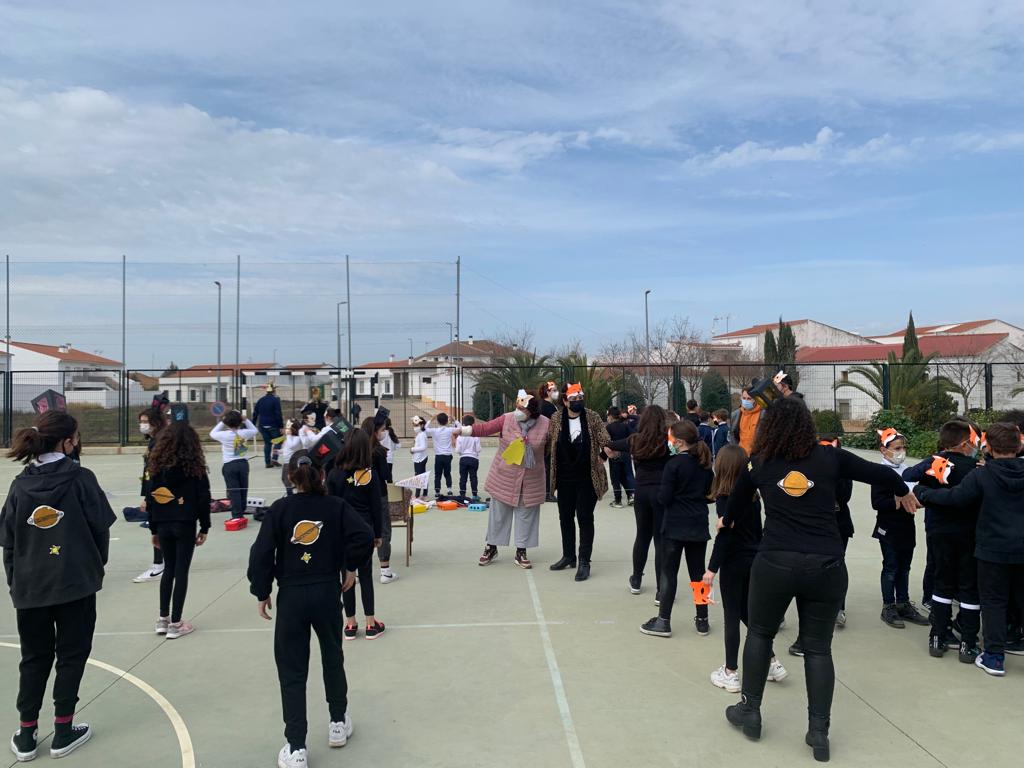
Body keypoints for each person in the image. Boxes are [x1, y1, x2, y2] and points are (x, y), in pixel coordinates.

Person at [719, 397, 917, 762]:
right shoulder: (830, 458)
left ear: (768, 428)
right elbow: (885, 474)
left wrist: (727, 521)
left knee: (760, 633)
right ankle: (818, 731)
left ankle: (750, 710)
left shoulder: (760, 463)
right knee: (818, 648)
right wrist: (904, 492)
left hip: (775, 562)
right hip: (826, 565)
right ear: (807, 426)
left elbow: (737, 499)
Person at [247, 450, 374, 768]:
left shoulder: (280, 510)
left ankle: (296, 747)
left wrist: (262, 590)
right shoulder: (335, 506)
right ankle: (337, 722)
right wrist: (350, 565)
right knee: (333, 656)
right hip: (326, 592)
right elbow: (364, 534)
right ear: (321, 476)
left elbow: (260, 554)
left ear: (290, 477)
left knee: (292, 670)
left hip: (291, 596)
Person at [1, 411, 116, 761]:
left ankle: (26, 733)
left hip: (31, 587)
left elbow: (9, 543)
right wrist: (94, 567)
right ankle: (63, 730)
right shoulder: (81, 479)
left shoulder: (20, 485)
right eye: (76, 436)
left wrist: (16, 583)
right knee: (71, 655)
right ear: (67, 441)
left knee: (33, 658)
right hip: (75, 583)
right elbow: (101, 529)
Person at [915, 422, 1024, 677]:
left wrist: (923, 493)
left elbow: (955, 498)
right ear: (1019, 445)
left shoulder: (982, 474)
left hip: (991, 548)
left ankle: (995, 657)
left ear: (988, 447)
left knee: (993, 602)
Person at [704, 445, 788, 692]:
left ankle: (730, 672)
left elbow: (725, 537)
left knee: (732, 617)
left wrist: (711, 569)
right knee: (748, 614)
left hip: (733, 563)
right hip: (754, 560)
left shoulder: (723, 499)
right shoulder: (754, 498)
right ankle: (771, 661)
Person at [902, 420, 981, 662]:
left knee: (942, 582)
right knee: (969, 587)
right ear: (965, 443)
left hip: (939, 532)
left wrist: (929, 472)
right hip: (970, 533)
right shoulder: (977, 468)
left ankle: (937, 635)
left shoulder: (936, 463)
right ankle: (968, 641)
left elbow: (909, 476)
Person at [639, 420, 714, 638]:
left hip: (674, 525)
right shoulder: (704, 464)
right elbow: (710, 493)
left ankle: (663, 620)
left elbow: (664, 497)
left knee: (668, 573)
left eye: (671, 438)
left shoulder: (673, 465)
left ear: (679, 442)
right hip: (698, 524)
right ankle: (702, 619)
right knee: (698, 574)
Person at [461, 391, 550, 569]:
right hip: (504, 476)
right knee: (498, 515)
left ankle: (521, 551)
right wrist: (461, 431)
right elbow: (484, 428)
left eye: (521, 408)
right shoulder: (507, 419)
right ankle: (491, 547)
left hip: (531, 479)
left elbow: (553, 447)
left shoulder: (546, 424)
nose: (517, 410)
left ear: (531, 410)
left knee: (527, 516)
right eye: (517, 406)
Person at [145, 421, 211, 640]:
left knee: (169, 570)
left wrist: (153, 529)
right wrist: (205, 526)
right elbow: (203, 498)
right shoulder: (195, 468)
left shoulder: (156, 467)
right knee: (181, 571)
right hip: (184, 522)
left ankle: (162, 619)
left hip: (163, 523)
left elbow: (151, 499)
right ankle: (176, 622)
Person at [604, 405, 674, 599]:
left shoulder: (635, 440)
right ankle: (662, 589)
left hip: (641, 491)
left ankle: (636, 578)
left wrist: (608, 451)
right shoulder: (668, 441)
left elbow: (611, 443)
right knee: (661, 540)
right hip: (662, 491)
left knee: (642, 536)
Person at [548, 383, 610, 582]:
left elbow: (605, 438)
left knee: (584, 517)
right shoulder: (556, 418)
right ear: (565, 401)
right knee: (565, 517)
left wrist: (604, 455)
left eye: (580, 399)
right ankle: (569, 556)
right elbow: (549, 441)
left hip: (587, 477)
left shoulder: (592, 417)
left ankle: (584, 561)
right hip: (564, 477)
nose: (578, 403)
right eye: (573, 400)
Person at [327, 430, 386, 640]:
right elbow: (375, 508)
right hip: (364, 530)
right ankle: (371, 622)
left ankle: (350, 622)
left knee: (346, 575)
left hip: (342, 532)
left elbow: (330, 506)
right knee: (366, 575)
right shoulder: (369, 475)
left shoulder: (334, 474)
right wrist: (378, 534)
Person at [872, 428, 929, 629]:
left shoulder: (907, 470)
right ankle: (889, 606)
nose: (901, 451)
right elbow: (877, 502)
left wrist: (918, 501)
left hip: (907, 525)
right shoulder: (881, 472)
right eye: (897, 448)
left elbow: (914, 496)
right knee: (891, 567)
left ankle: (903, 603)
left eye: (903, 447)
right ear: (883, 450)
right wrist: (897, 500)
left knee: (904, 567)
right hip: (888, 527)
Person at [133, 406, 169, 583]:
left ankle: (158, 565)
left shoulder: (160, 442)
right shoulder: (155, 440)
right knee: (161, 527)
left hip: (160, 493)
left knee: (158, 528)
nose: (142, 425)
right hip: (158, 492)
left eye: (145, 422)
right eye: (141, 422)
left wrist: (148, 498)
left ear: (156, 422)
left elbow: (155, 472)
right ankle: (165, 562)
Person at [361, 418, 397, 585]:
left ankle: (357, 573)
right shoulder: (379, 451)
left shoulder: (357, 450)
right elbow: (385, 475)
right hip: (378, 494)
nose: (384, 432)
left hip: (359, 495)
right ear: (375, 431)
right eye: (382, 429)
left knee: (361, 531)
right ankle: (385, 571)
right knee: (383, 530)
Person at [209, 410, 257, 520]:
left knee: (233, 491)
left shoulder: (223, 435)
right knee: (243, 488)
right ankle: (242, 509)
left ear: (227, 423)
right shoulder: (244, 433)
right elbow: (255, 430)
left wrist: (223, 421)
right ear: (240, 422)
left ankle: (237, 515)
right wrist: (246, 419)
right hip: (243, 463)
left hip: (229, 465)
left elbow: (212, 433)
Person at [605, 407, 635, 508]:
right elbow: (633, 436)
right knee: (628, 475)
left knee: (615, 477)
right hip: (626, 454)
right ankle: (632, 496)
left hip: (614, 455)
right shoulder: (625, 426)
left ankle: (618, 500)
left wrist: (603, 455)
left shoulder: (608, 428)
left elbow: (606, 443)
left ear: (610, 416)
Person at [253, 382, 285, 469]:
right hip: (273, 425)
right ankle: (274, 459)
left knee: (267, 444)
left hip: (262, 425)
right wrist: (281, 426)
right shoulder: (275, 400)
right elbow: (278, 414)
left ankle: (267, 463)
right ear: (274, 391)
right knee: (278, 441)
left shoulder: (260, 400)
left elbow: (255, 413)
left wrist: (253, 424)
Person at [425, 413, 457, 498]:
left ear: (437, 421)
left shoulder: (434, 431)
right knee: (447, 473)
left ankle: (437, 491)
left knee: (437, 474)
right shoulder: (450, 430)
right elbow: (460, 428)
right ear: (447, 421)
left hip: (439, 456)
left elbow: (424, 429)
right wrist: (454, 421)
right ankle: (449, 490)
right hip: (447, 455)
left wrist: (431, 419)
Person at [539, 382, 560, 502]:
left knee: (549, 467)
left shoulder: (549, 405)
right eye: (554, 390)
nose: (556, 393)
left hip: (550, 440)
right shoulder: (546, 406)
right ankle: (548, 493)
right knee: (549, 467)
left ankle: (548, 492)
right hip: (548, 442)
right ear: (548, 392)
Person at [728, 385, 763, 456]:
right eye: (744, 398)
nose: (746, 401)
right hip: (741, 455)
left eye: (749, 398)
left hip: (757, 455)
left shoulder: (763, 414)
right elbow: (732, 435)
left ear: (755, 399)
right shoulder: (735, 415)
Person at [456, 415, 482, 501]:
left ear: (463, 423)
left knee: (463, 477)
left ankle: (462, 494)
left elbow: (458, 449)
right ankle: (474, 494)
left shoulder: (460, 436)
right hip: (473, 458)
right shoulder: (475, 435)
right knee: (473, 477)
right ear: (473, 423)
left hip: (463, 458)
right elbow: (478, 449)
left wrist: (462, 452)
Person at [278, 419, 305, 496]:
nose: (286, 429)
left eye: (289, 427)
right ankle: (292, 492)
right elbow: (287, 447)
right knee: (285, 479)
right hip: (287, 461)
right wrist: (280, 451)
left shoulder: (298, 438)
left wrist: (288, 435)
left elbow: (292, 446)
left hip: (292, 462)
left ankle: (292, 494)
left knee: (288, 479)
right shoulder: (289, 438)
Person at [410, 416, 429, 499]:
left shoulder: (421, 435)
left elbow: (423, 447)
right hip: (420, 458)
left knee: (419, 476)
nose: (415, 427)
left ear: (421, 425)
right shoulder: (420, 434)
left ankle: (417, 495)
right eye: (414, 425)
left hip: (420, 459)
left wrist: (412, 449)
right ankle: (424, 494)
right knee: (423, 476)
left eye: (416, 425)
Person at [379, 418, 400, 485]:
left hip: (382, 457)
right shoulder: (391, 433)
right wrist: (392, 449)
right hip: (390, 458)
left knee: (380, 475)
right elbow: (398, 445)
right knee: (389, 476)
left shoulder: (381, 434)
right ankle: (390, 491)